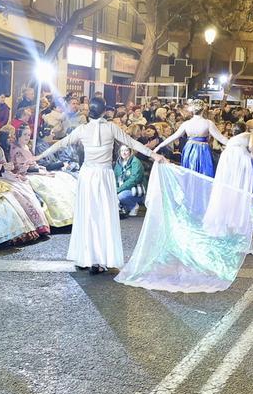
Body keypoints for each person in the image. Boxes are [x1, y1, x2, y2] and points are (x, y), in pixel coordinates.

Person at [36, 97, 164, 273]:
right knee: (102, 216)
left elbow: (60, 143)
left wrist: (40, 156)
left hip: (87, 176)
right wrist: (154, 155)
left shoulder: (82, 129)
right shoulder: (111, 128)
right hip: (103, 176)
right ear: (104, 111)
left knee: (87, 214)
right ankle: (97, 261)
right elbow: (132, 142)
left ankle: (84, 257)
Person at [0, 126, 50, 236]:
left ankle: (39, 223)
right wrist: (2, 167)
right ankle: (26, 227)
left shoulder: (0, 149)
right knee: (16, 192)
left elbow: (5, 163)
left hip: (6, 174)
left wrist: (8, 166)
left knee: (24, 188)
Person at [6, 123, 76, 227]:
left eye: (29, 135)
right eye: (24, 134)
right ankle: (56, 216)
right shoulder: (15, 149)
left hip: (35, 170)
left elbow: (34, 162)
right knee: (45, 184)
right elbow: (18, 167)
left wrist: (39, 168)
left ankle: (71, 213)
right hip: (26, 174)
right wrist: (35, 169)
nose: (27, 137)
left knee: (60, 178)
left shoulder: (27, 147)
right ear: (19, 135)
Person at [156, 101, 230, 175]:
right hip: (203, 150)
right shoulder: (208, 123)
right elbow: (221, 138)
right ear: (203, 109)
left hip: (189, 149)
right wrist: (236, 143)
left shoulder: (186, 123)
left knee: (189, 173)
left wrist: (159, 146)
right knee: (204, 174)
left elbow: (173, 136)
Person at [114, 145, 146, 217]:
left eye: (126, 150)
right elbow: (115, 178)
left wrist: (118, 189)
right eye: (122, 151)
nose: (123, 153)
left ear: (130, 151)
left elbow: (134, 180)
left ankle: (133, 205)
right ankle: (125, 208)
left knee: (120, 196)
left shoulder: (135, 162)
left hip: (135, 191)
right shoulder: (118, 163)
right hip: (121, 189)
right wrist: (114, 189)